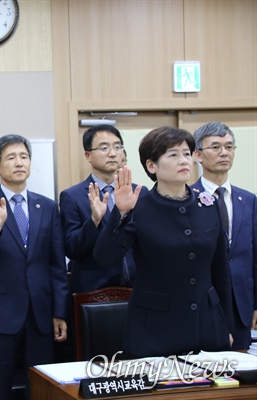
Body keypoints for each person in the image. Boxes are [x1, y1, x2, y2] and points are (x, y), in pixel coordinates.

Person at [93, 126, 234, 358]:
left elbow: (221, 271)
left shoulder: (207, 205)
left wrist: (227, 324)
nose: (184, 161)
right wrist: (120, 213)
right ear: (152, 166)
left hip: (208, 325)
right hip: (156, 329)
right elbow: (105, 258)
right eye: (173, 154)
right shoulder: (140, 207)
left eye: (187, 153)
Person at [0, 134, 68, 399]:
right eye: (11, 157)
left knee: (43, 388)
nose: (19, 162)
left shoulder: (46, 206)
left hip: (40, 316)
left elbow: (56, 263)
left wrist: (59, 311)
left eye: (24, 156)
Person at [191, 121, 256, 350]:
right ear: (198, 154)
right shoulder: (188, 199)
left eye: (229, 147)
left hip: (242, 304)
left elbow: (254, 255)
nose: (224, 153)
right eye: (216, 147)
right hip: (202, 302)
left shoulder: (248, 200)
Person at [59, 125, 147, 295]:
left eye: (117, 146)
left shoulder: (139, 193)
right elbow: (72, 249)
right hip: (94, 292)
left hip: (137, 289)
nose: (112, 153)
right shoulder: (73, 196)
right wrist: (94, 221)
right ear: (88, 155)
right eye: (104, 148)